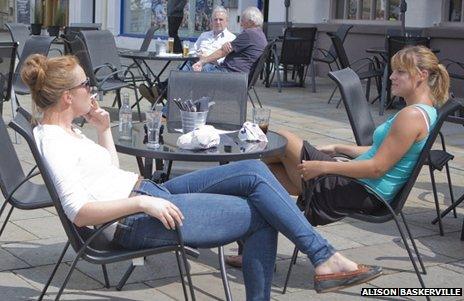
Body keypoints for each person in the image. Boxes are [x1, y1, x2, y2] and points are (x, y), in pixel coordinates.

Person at [22, 54, 382, 299]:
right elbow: (79, 211)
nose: (94, 91)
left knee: (253, 171)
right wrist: (142, 202)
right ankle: (323, 260)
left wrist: (102, 130)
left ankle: (324, 257)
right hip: (132, 219)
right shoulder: (53, 140)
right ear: (68, 97)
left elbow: (108, 174)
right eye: (88, 86)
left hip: (144, 194)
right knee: (262, 213)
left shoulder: (66, 129)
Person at [226, 45, 450, 268]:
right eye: (394, 71)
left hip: (360, 190)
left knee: (281, 141)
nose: (391, 76)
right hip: (359, 185)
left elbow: (377, 167)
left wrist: (324, 167)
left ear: (422, 75)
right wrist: (337, 147)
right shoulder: (424, 111)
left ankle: (232, 167)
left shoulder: (411, 116)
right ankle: (253, 250)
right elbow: (380, 153)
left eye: (400, 71)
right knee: (260, 179)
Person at [190, 6, 267, 73]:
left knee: (193, 69)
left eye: (242, 20)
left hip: (229, 74)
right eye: (215, 19)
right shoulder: (259, 35)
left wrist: (202, 61)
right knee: (191, 66)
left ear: (251, 22)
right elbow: (228, 48)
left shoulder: (249, 34)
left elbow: (224, 51)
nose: (241, 24)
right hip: (234, 73)